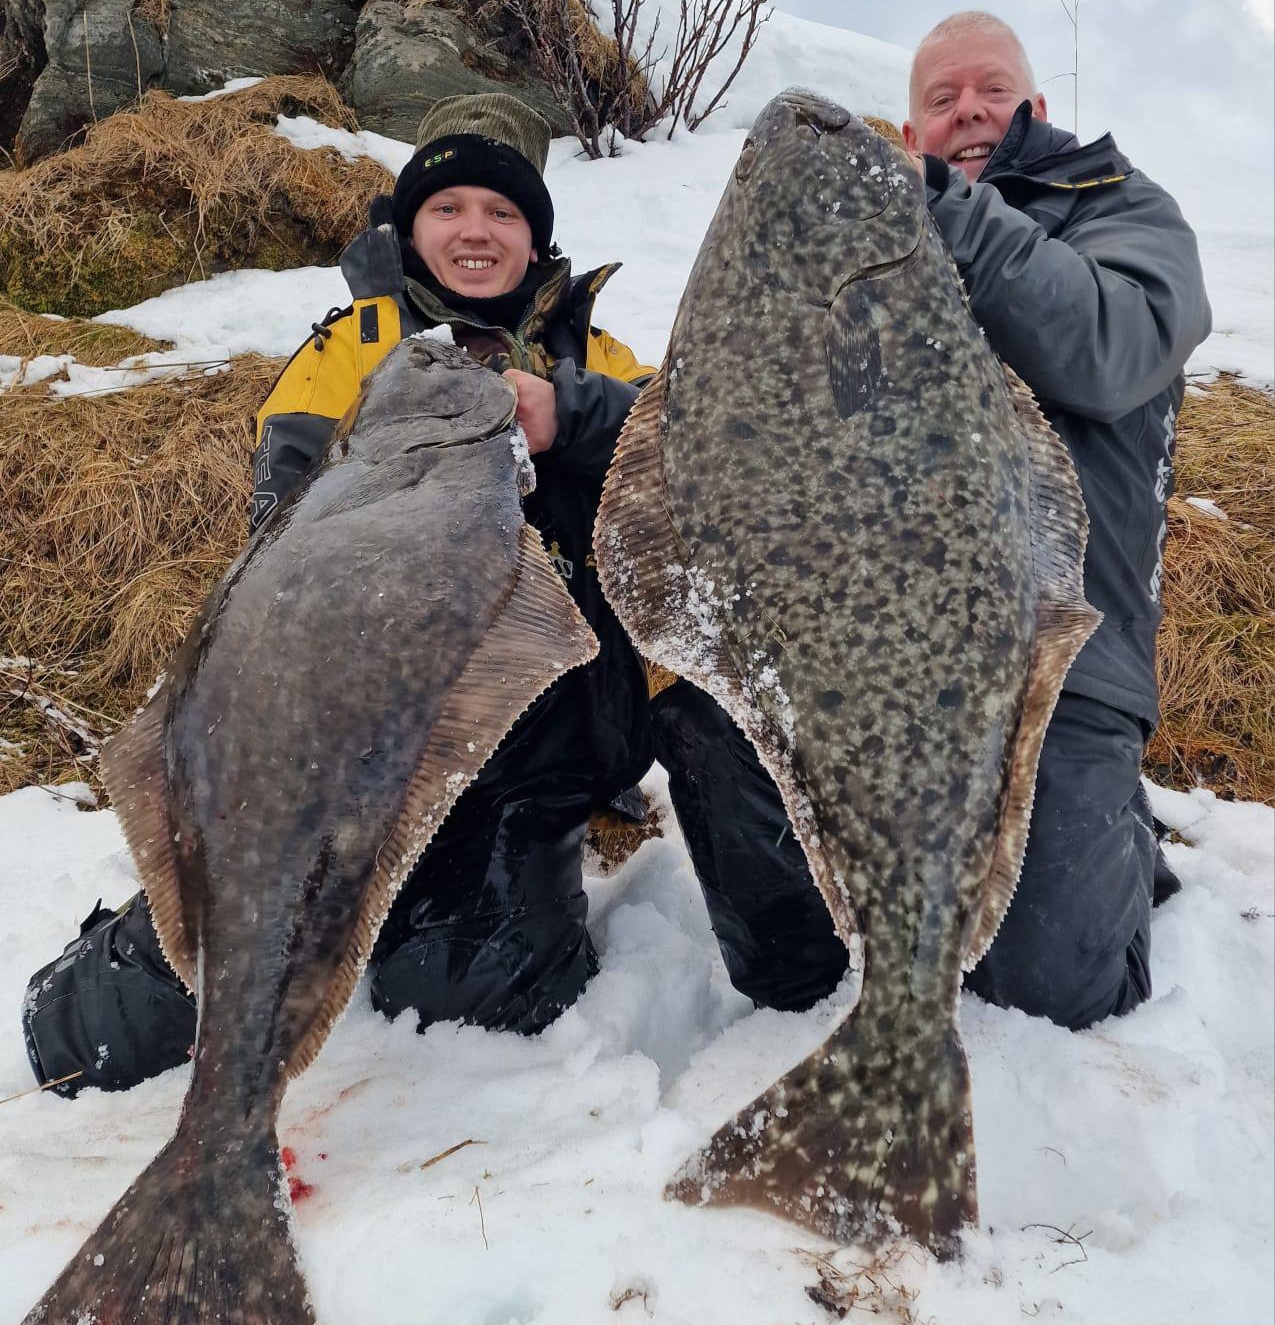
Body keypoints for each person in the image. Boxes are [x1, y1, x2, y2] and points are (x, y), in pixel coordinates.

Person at [22, 92, 657, 1096]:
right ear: (411, 229)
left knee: (472, 989)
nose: (477, 230)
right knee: (116, 1018)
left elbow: (685, 444)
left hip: (539, 738)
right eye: (448, 208)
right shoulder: (349, 347)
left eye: (503, 211)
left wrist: (570, 415)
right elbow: (280, 532)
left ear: (535, 239)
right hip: (347, 732)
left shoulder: (600, 356)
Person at [652, 10, 1211, 1033]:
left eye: (991, 91)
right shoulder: (852, 241)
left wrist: (948, 210)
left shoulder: (1116, 207)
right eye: (943, 100)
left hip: (1062, 649)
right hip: (861, 633)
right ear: (910, 134)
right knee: (777, 926)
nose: (970, 112)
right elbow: (727, 403)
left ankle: (1121, 838)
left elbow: (1111, 346)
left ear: (1035, 106)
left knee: (1047, 989)